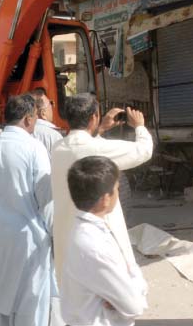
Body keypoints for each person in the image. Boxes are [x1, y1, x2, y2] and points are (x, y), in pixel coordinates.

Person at [0, 94, 55, 326]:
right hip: (27, 244)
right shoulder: (33, 148)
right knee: (30, 314)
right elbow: (47, 201)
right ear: (28, 119)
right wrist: (58, 236)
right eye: (36, 118)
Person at [51, 95, 152, 292]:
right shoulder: (97, 149)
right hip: (99, 240)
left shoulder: (58, 148)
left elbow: (84, 146)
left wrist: (101, 129)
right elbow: (144, 150)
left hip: (68, 237)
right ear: (94, 117)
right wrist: (139, 126)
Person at [59, 156, 147, 326]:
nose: (118, 194)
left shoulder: (86, 230)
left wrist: (122, 291)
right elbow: (134, 305)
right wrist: (131, 280)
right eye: (116, 189)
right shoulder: (95, 245)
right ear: (106, 199)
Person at [30, 88, 63, 158]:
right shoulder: (54, 136)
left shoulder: (23, 131)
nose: (52, 106)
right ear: (43, 113)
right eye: (50, 103)